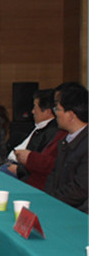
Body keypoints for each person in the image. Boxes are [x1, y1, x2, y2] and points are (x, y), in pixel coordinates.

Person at [43, 84, 88, 213]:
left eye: (57, 109)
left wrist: (51, 201)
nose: (55, 113)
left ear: (71, 115)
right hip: (59, 205)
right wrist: (46, 199)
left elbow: (80, 189)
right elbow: (53, 176)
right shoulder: (66, 140)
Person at [0, 89, 59, 179]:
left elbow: (39, 163)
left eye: (35, 107)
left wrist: (18, 170)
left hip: (19, 171)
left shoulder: (51, 133)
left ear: (47, 111)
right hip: (11, 164)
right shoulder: (40, 127)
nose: (32, 111)